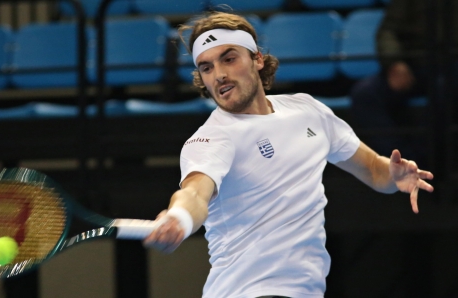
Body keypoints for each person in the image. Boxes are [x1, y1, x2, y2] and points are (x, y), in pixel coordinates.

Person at [144, 11, 434, 298]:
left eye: (229, 59)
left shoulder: (308, 110)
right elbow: (194, 194)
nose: (219, 74)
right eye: (206, 67)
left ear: (257, 59)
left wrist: (392, 174)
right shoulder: (212, 139)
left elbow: (372, 169)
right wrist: (179, 217)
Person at [350, 0, 458, 164]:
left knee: (444, 88)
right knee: (365, 93)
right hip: (415, 64)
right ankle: (399, 161)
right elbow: (388, 30)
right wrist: (394, 62)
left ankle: (423, 162)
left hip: (457, 64)